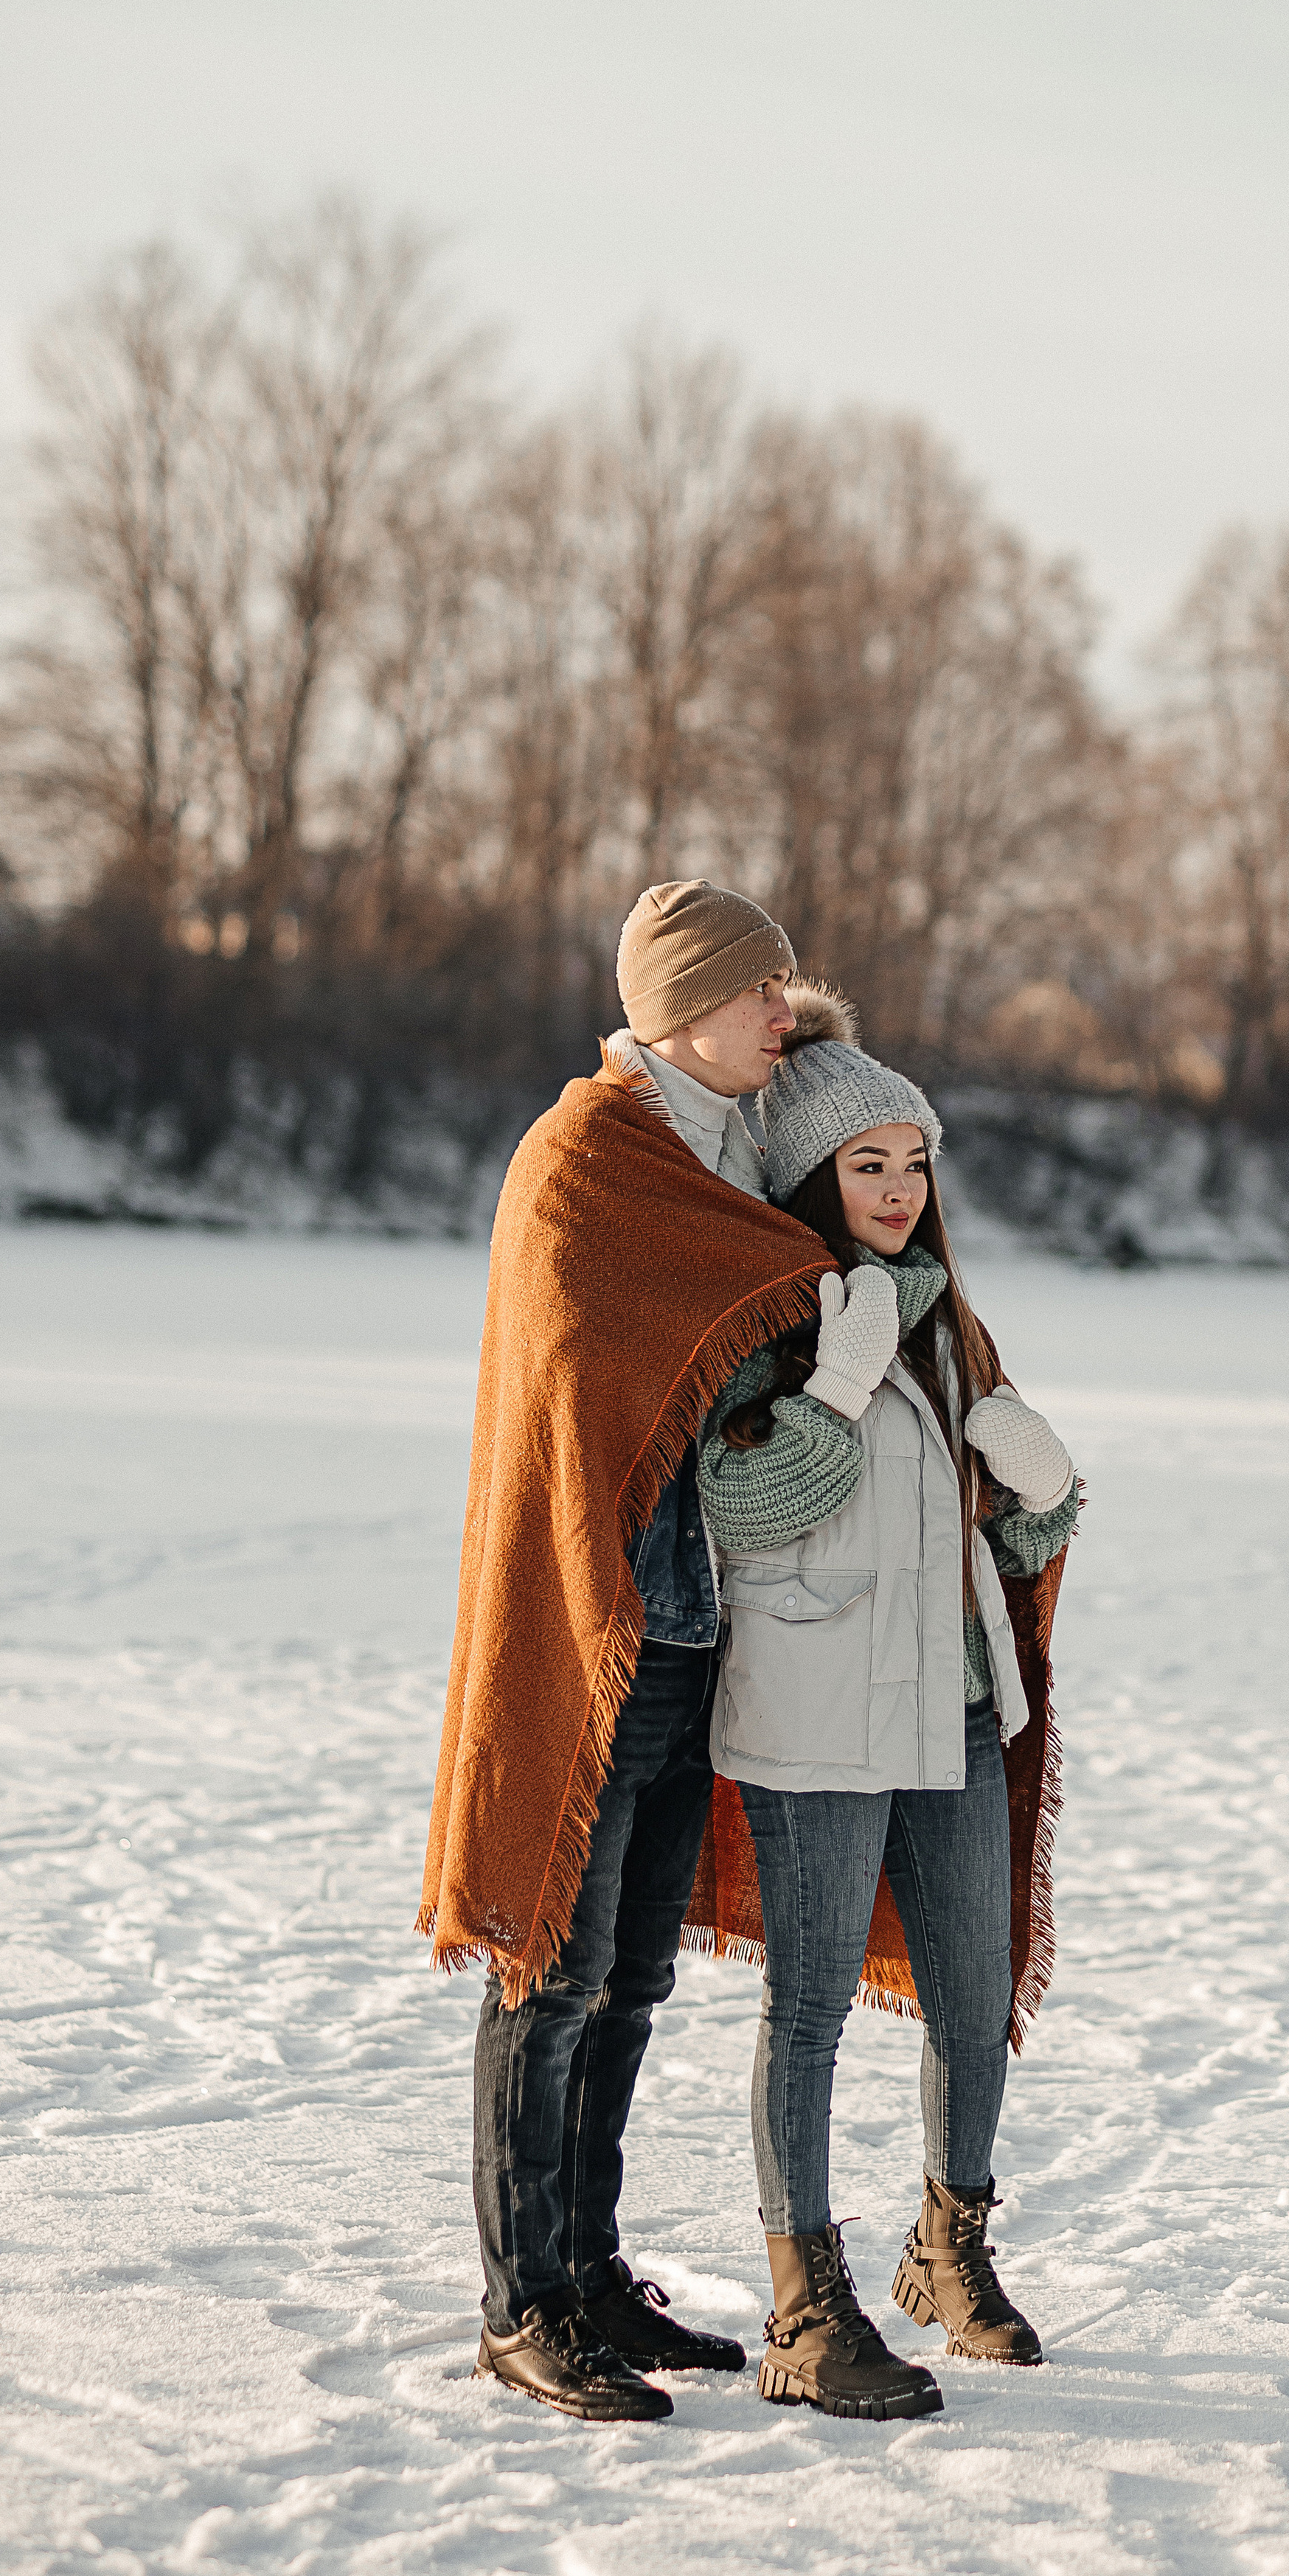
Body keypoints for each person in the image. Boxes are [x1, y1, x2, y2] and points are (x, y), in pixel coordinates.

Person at [418, 880, 835, 2424]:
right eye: (757, 992)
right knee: (553, 1963)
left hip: (691, 1626)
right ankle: (519, 2304)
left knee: (634, 1975)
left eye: (785, 988)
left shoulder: (736, 1153)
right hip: (584, 1626)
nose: (780, 1013)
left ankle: (589, 2276)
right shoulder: (584, 1157)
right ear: (676, 1007)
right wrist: (797, 1303)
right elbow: (599, 1364)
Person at [695, 986, 1081, 2420]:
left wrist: (1042, 1491)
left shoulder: (944, 1328)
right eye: (867, 1163)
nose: (898, 1188)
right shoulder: (760, 1319)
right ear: (809, 1177)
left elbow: (996, 1538)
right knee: (806, 2016)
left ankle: (948, 2252)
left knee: (971, 2003)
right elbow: (740, 1507)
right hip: (812, 1716)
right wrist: (836, 1379)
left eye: (912, 1162)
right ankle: (805, 2305)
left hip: (954, 1713)